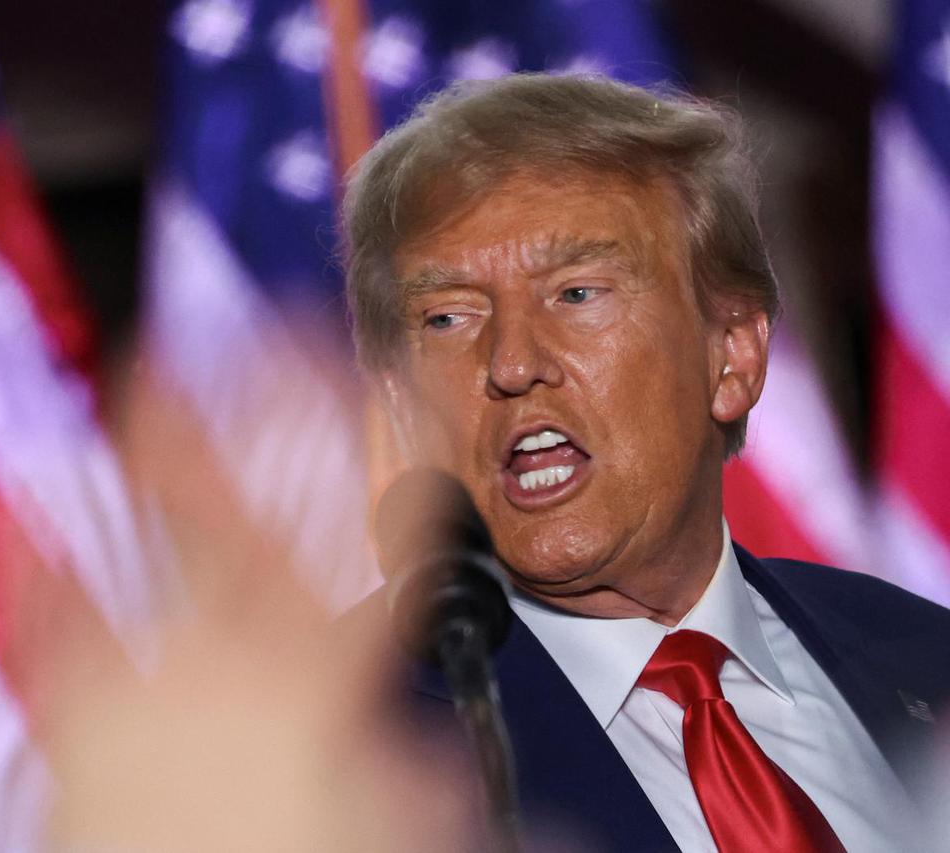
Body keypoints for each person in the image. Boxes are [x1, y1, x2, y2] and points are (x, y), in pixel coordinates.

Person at [342, 73, 950, 852]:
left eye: (576, 293)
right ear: (399, 402)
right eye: (449, 316)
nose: (512, 362)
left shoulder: (926, 658)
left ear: (731, 356)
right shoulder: (340, 749)